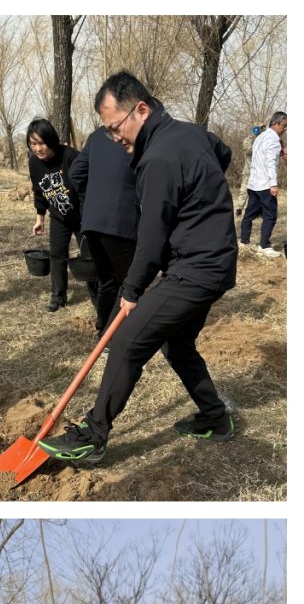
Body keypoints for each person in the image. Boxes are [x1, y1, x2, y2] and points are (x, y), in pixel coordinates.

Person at [37, 71, 236, 464]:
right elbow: (223, 153)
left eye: (116, 128)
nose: (116, 137)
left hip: (195, 269)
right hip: (213, 262)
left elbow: (151, 239)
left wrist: (131, 291)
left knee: (127, 341)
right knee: (177, 344)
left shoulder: (158, 159)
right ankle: (216, 417)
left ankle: (93, 435)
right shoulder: (189, 133)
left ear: (140, 109)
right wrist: (203, 198)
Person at [69, 125, 139, 335]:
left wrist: (92, 199)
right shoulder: (136, 136)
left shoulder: (97, 135)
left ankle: (102, 328)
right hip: (121, 221)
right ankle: (111, 335)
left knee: (107, 280)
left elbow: (75, 173)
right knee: (127, 282)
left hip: (92, 221)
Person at [25, 118, 85, 313]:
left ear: (51, 140)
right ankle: (58, 296)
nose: (37, 148)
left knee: (89, 255)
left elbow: (88, 187)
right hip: (59, 216)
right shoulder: (34, 163)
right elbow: (38, 191)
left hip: (83, 216)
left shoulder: (70, 157)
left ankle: (96, 292)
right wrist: (39, 218)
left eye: (41, 143)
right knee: (57, 255)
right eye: (33, 144)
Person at [240, 112, 286, 257]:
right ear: (276, 124)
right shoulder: (273, 140)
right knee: (270, 215)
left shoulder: (260, 137)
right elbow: (270, 162)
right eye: (284, 126)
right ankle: (264, 246)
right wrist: (273, 184)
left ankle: (244, 241)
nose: (285, 129)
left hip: (253, 184)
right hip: (265, 184)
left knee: (249, 214)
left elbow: (260, 157)